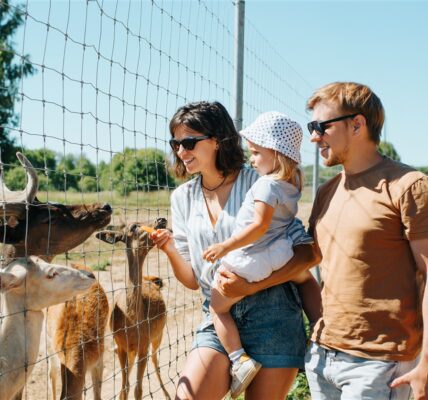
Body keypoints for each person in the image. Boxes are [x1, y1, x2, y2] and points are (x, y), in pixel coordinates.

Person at [151, 101, 321, 400]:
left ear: (217, 139)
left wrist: (252, 284)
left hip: (273, 312)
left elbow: (307, 255)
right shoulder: (182, 198)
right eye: (175, 143)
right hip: (217, 313)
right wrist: (169, 250)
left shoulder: (261, 181)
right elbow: (193, 280)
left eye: (189, 142)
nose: (181, 151)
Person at [301, 81, 428, 400]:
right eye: (310, 127)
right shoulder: (325, 192)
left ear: (357, 124)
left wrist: (426, 362)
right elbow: (305, 263)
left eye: (320, 126)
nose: (314, 137)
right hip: (321, 358)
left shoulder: (409, 186)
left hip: (380, 363)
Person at [202, 111, 320, 397]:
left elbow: (258, 226)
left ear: (276, 152)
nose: (251, 159)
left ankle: (238, 359)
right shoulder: (292, 183)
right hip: (278, 253)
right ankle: (317, 332)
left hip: (250, 259)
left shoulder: (266, 185)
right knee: (304, 278)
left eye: (256, 153)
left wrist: (225, 246)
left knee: (217, 308)